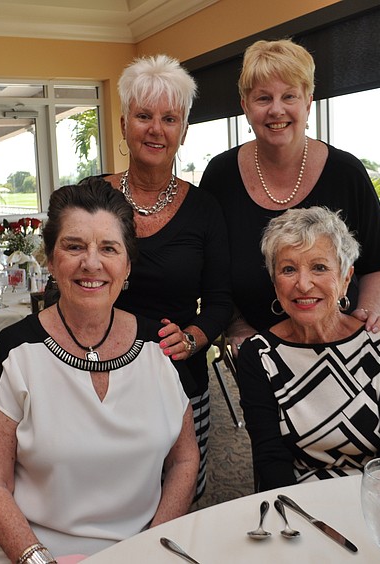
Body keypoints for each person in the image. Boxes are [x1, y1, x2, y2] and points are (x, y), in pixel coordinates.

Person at [0, 179, 199, 561]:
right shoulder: (15, 352)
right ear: (50, 260)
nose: (91, 262)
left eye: (108, 248)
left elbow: (185, 459)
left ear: (127, 266)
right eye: (74, 246)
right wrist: (38, 558)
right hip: (35, 554)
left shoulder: (159, 347)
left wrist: (154, 549)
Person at [81, 54, 233, 501]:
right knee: (103, 499)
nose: (156, 129)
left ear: (183, 130)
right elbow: (63, 287)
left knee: (179, 499)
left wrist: (192, 339)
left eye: (169, 118)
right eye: (144, 116)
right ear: (124, 123)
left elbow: (221, 301)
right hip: (96, 378)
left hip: (178, 382)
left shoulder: (205, 209)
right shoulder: (91, 197)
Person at [198, 38, 380, 346]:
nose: (276, 110)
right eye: (263, 98)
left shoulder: (347, 172)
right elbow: (213, 275)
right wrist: (236, 326)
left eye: (289, 96)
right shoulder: (219, 176)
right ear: (245, 107)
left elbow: (379, 267)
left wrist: (361, 319)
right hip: (256, 351)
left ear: (308, 103)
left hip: (337, 344)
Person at [237, 207, 380, 492]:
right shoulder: (259, 356)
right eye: (288, 269)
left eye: (319, 267)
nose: (304, 284)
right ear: (274, 282)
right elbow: (270, 460)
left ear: (346, 278)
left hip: (374, 497)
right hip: (296, 500)